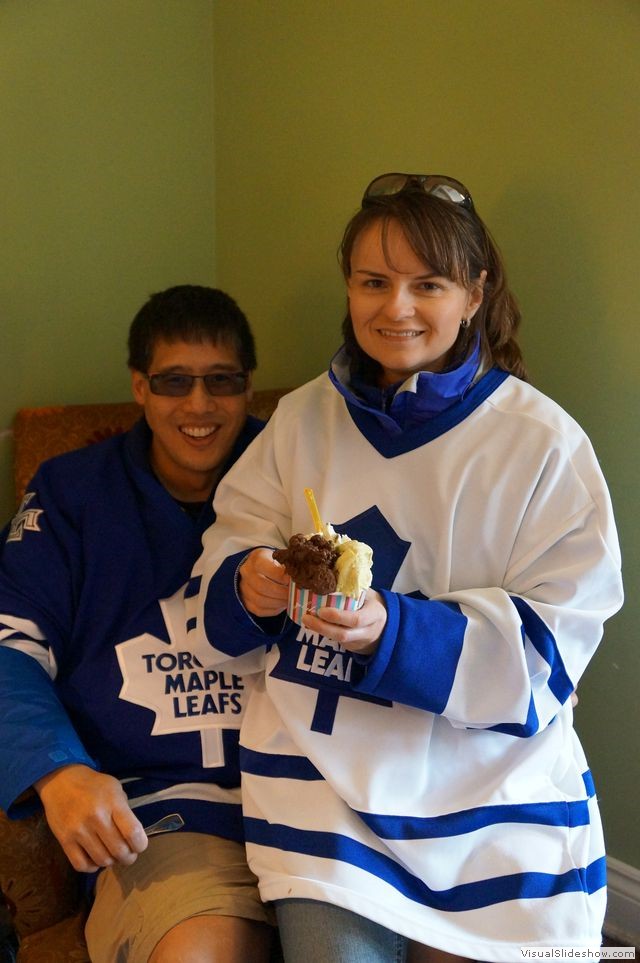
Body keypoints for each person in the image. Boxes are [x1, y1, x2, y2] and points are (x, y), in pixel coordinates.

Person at [185, 175, 624, 963]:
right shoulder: (302, 418)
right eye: (373, 282)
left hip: (496, 789)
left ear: (475, 292)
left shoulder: (544, 445)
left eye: (429, 284)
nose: (397, 308)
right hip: (324, 792)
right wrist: (248, 583)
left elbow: (551, 651)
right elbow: (224, 557)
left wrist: (392, 627)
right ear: (348, 289)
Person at [0, 285, 276, 962]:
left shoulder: (297, 472)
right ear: (140, 387)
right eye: (174, 381)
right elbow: (9, 648)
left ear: (249, 389)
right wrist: (57, 770)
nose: (200, 405)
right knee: (202, 948)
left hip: (315, 804)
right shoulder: (72, 495)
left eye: (222, 382)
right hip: (162, 817)